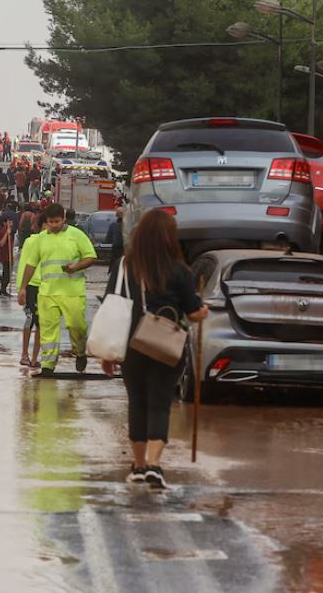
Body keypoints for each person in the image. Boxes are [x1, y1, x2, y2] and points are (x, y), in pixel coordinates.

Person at [102, 209, 209, 488]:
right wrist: (203, 308)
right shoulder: (179, 270)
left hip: (130, 345)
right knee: (160, 404)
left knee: (137, 403)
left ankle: (137, 467)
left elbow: (111, 305)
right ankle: (154, 465)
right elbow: (194, 313)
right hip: (166, 345)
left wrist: (107, 353)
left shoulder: (124, 266)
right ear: (170, 238)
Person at [20, 203, 97, 377]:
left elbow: (91, 257)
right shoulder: (41, 239)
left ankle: (80, 351)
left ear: (63, 218)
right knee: (48, 331)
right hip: (47, 293)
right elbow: (31, 264)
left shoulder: (76, 235)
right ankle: (48, 365)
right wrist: (23, 288)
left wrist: (77, 266)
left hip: (73, 292)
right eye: (51, 222)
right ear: (46, 221)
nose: (54, 225)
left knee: (77, 325)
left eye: (57, 221)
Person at [16, 213, 48, 368]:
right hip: (31, 286)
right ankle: (24, 354)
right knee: (30, 319)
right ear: (42, 225)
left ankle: (35, 358)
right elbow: (23, 264)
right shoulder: (31, 241)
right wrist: (20, 288)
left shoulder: (55, 242)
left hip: (47, 287)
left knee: (41, 323)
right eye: (48, 223)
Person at [0, 217, 14, 297]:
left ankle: (3, 290)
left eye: (11, 222)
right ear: (5, 223)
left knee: (7, 275)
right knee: (6, 275)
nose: (11, 224)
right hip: (5, 256)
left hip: (9, 256)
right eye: (9, 222)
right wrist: (7, 233)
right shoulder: (3, 231)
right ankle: (2, 290)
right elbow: (1, 243)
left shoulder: (11, 232)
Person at [105, 207, 125, 274]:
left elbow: (108, 239)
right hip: (125, 247)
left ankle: (112, 271)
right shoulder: (127, 225)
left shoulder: (113, 225)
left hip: (116, 247)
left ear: (116, 215)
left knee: (114, 260)